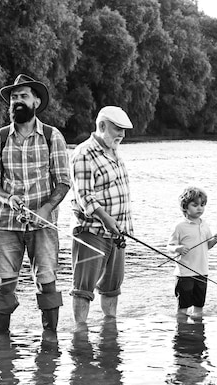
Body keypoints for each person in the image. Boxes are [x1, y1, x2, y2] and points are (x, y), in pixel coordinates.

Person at [0, 74, 71, 341]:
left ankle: (50, 339)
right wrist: (8, 198)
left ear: (36, 101)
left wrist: (46, 209)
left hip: (43, 225)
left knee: (47, 283)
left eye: (23, 96)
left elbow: (64, 182)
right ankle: (1, 342)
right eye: (13, 97)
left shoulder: (51, 136)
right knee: (5, 283)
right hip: (6, 225)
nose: (17, 101)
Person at [69, 106, 134, 325]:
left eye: (124, 130)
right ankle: (80, 335)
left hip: (117, 235)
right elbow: (85, 196)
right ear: (103, 126)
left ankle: (110, 333)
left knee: (112, 288)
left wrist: (120, 226)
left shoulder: (113, 150)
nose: (122, 135)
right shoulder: (83, 154)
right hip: (91, 233)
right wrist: (106, 219)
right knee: (83, 290)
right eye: (118, 129)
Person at [166, 186, 217, 318]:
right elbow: (169, 246)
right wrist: (178, 248)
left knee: (199, 307)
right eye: (195, 205)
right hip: (184, 274)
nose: (199, 208)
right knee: (183, 308)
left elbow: (207, 246)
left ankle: (197, 327)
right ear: (185, 207)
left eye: (202, 205)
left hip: (202, 271)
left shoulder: (205, 225)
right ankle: (182, 330)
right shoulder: (179, 226)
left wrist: (214, 241)